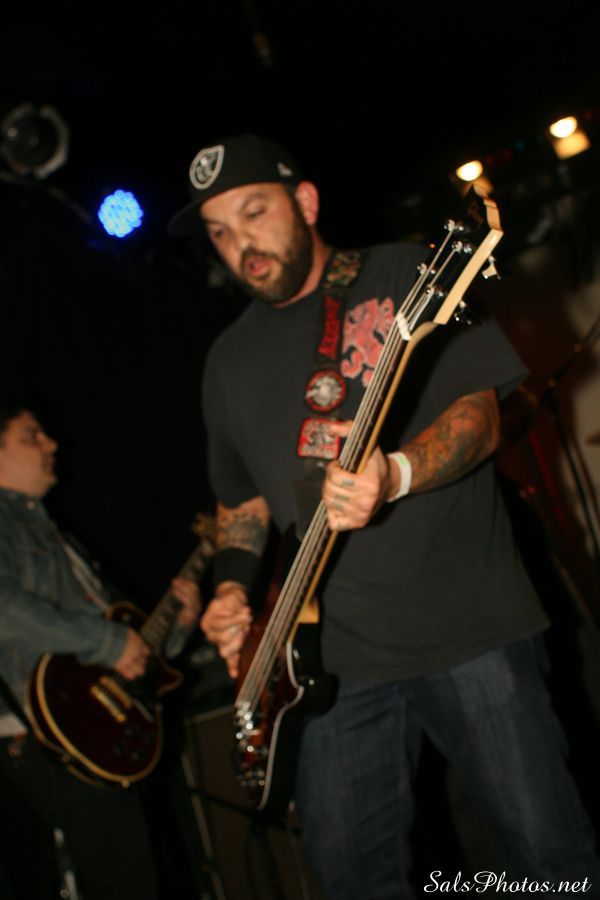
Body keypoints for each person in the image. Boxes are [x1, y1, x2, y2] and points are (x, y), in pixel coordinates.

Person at [168, 133, 600, 898]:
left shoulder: (405, 274)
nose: (242, 246)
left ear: (305, 202)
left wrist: (393, 474)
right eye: (220, 232)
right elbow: (241, 502)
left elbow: (480, 418)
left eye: (255, 213)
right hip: (326, 671)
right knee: (351, 883)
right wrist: (232, 591)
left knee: (549, 864)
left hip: (468, 631)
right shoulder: (224, 362)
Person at [0, 400, 201, 900]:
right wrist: (107, 643)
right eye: (32, 436)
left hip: (90, 723)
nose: (52, 444)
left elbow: (130, 639)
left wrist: (178, 627)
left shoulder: (55, 534)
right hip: (44, 727)